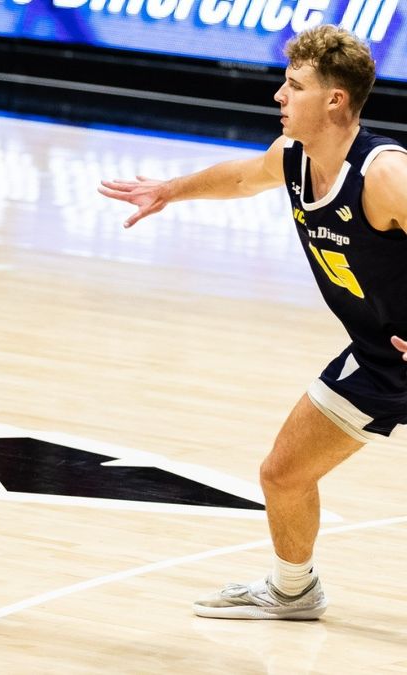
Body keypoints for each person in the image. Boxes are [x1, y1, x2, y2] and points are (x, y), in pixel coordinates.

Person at [99, 25, 407, 620]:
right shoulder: (293, 160)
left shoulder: (385, 174)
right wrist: (169, 190)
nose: (278, 96)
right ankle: (294, 591)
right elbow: (241, 178)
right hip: (377, 357)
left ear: (335, 100)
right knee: (283, 474)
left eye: (294, 86)